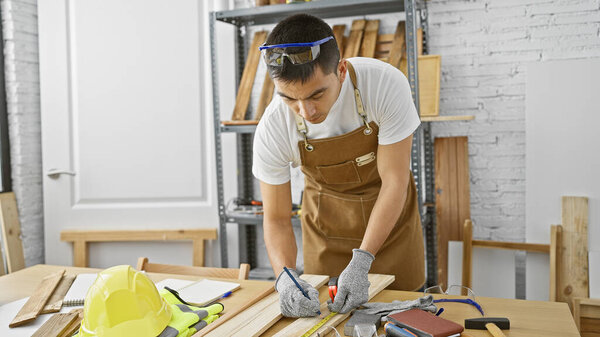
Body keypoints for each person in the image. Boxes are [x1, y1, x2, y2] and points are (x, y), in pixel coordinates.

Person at [252, 13, 425, 317]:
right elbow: (277, 219)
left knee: (405, 322)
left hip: (392, 230)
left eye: (316, 95)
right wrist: (286, 278)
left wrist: (362, 261)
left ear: (341, 70)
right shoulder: (274, 126)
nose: (305, 111)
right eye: (289, 99)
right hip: (326, 236)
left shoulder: (383, 84)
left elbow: (395, 181)